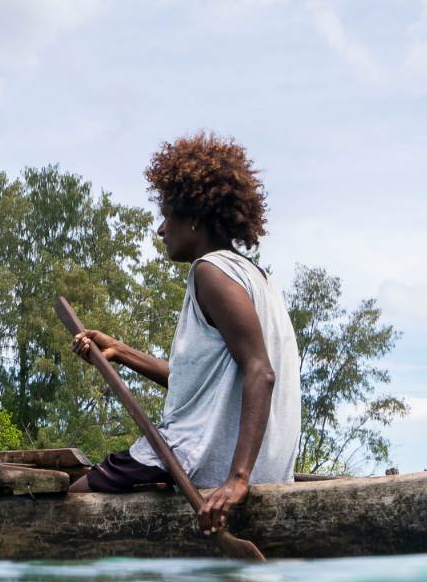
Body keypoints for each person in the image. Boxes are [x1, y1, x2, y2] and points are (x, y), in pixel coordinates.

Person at [67, 132, 303, 533]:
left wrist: (238, 479)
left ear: (193, 217)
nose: (161, 230)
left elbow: (260, 372)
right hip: (264, 467)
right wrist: (121, 352)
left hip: (196, 455)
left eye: (167, 216)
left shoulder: (210, 272)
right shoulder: (256, 277)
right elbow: (196, 385)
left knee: (74, 500)